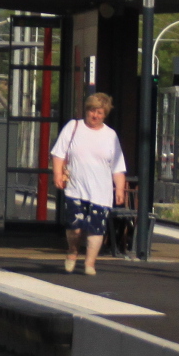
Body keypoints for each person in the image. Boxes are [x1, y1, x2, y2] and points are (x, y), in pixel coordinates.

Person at [49, 91, 127, 276]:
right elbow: (59, 153)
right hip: (76, 188)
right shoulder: (73, 127)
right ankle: (73, 252)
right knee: (75, 228)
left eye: (100, 112)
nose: (95, 115)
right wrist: (57, 174)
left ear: (105, 114)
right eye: (92, 111)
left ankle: (90, 263)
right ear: (87, 110)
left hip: (101, 191)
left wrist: (120, 189)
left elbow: (117, 165)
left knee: (96, 230)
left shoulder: (110, 135)